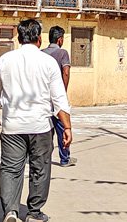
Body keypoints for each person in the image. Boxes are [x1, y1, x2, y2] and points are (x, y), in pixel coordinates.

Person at [0, 18, 72, 222]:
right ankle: (34, 212)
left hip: (12, 126)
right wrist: (67, 127)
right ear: (39, 39)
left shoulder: (5, 61)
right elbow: (59, 99)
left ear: (19, 37)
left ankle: (10, 211)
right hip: (41, 126)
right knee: (40, 169)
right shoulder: (48, 62)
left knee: (10, 168)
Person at [43, 26, 75, 167]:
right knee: (62, 127)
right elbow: (66, 72)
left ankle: (43, 158)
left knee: (46, 130)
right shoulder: (62, 53)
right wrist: (63, 91)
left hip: (43, 97)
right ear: (60, 39)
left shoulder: (42, 53)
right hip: (57, 96)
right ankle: (64, 159)